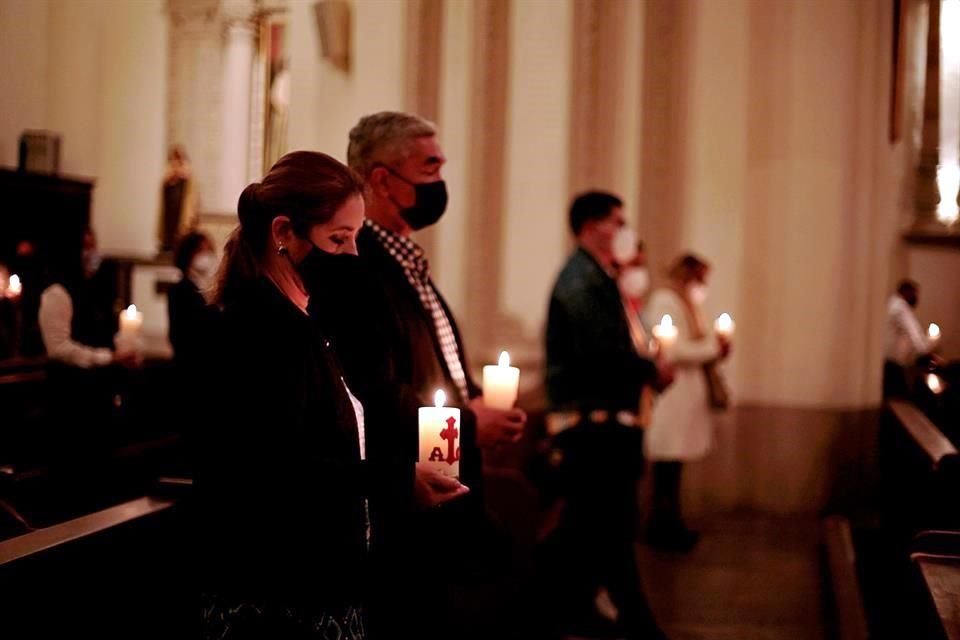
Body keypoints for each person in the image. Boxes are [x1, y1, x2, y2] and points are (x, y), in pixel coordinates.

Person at [197, 151, 467, 639]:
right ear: (284, 233)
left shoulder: (303, 321)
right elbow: (275, 467)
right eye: (338, 238)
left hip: (320, 585)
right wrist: (395, 480)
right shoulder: (258, 327)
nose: (352, 255)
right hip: (279, 601)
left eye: (355, 238)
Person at [317, 111, 525, 639]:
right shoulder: (361, 267)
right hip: (407, 495)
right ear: (383, 179)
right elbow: (373, 385)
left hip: (446, 478)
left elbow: (438, 360)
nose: (440, 180)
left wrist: (478, 400)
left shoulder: (408, 261)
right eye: (429, 167)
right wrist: (470, 420)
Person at [542, 191, 668, 640]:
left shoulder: (597, 275)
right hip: (593, 429)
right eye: (618, 221)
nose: (623, 230)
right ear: (592, 226)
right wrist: (653, 369)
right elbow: (599, 354)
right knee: (609, 531)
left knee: (593, 532)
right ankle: (637, 624)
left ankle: (573, 610)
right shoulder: (582, 279)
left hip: (605, 426)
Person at [642, 253, 731, 552]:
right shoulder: (665, 302)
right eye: (700, 278)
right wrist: (712, 347)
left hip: (685, 399)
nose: (704, 285)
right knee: (666, 464)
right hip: (672, 398)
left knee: (674, 467)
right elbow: (674, 350)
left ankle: (671, 520)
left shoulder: (690, 306)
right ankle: (661, 524)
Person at [167, 231, 219, 371]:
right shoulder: (180, 289)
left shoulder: (212, 289)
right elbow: (178, 335)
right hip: (188, 365)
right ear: (188, 254)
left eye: (209, 250)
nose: (206, 255)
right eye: (201, 250)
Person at [883, 279, 938, 399]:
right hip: (892, 365)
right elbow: (915, 335)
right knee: (901, 399)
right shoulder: (901, 306)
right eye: (915, 294)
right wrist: (927, 350)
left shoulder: (891, 304)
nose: (916, 298)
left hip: (887, 362)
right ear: (906, 292)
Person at [157, 145, 198, 255]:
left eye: (178, 160)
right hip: (170, 215)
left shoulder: (188, 179)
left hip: (182, 215)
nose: (175, 164)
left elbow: (192, 201)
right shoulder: (168, 179)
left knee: (182, 237)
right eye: (172, 160)